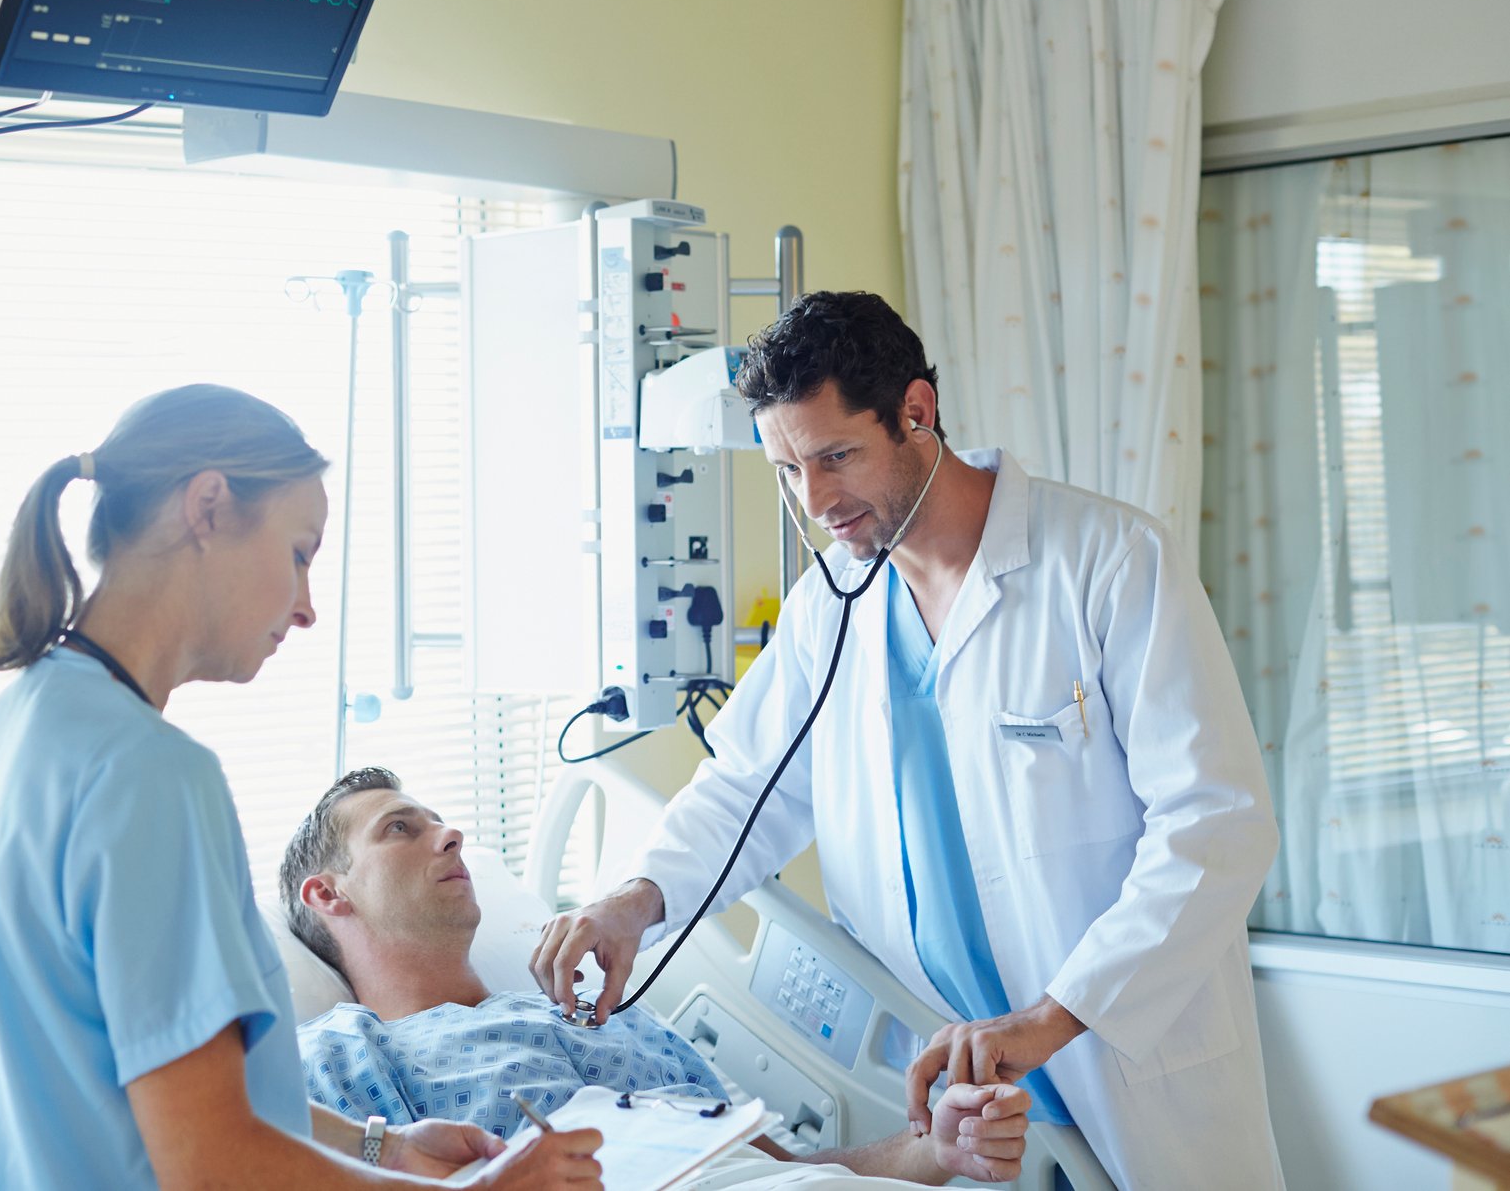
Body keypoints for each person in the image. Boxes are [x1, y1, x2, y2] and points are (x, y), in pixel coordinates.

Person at [529, 293, 1286, 1190]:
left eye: (835, 457)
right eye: (785, 471)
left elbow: (1215, 824)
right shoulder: (829, 608)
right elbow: (746, 789)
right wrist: (634, 900)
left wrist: (1049, 1018)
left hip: (1114, 1049)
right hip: (946, 1089)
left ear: (916, 414)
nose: (813, 502)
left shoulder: (1109, 564)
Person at [0, 385, 601, 1190]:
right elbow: (209, 1163)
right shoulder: (148, 773)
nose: (309, 606)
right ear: (208, 507)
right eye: (298, 553)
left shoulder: (8, 735)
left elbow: (167, 1089)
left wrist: (382, 1146)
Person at [281, 768, 1031, 1186]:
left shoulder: (598, 1013)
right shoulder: (336, 1059)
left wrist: (934, 1150)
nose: (450, 834)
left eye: (436, 818)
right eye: (400, 829)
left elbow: (772, 1171)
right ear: (328, 893)